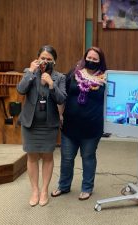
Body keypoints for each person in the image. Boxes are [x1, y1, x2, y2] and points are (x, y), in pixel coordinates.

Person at [51, 46, 107, 200]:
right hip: (70, 125)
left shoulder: (105, 79)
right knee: (67, 158)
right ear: (85, 57)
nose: (91, 61)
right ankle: (63, 186)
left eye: (95, 59)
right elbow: (63, 96)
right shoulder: (73, 74)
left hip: (92, 127)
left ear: (100, 61)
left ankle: (87, 188)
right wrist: (60, 114)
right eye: (89, 58)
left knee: (88, 157)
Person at [17, 45, 67, 207]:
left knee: (47, 156)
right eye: (42, 58)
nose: (45, 61)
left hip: (49, 125)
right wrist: (31, 73)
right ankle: (35, 190)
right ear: (37, 58)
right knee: (31, 156)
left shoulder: (60, 77)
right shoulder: (29, 72)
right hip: (30, 124)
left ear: (55, 61)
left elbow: (61, 99)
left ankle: (44, 190)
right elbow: (21, 90)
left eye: (49, 59)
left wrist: (52, 85)